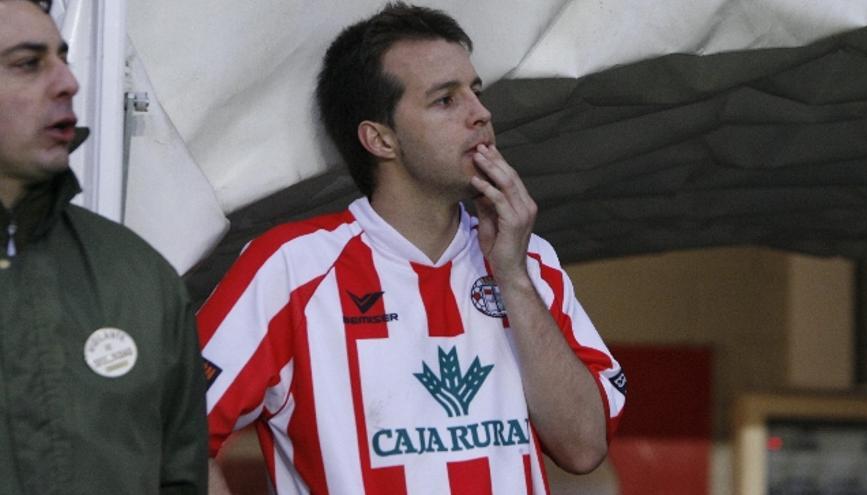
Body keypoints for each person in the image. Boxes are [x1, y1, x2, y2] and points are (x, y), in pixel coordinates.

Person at [198, 2, 626, 494]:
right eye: (446, 100)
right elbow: (172, 430)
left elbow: (584, 447)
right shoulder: (291, 269)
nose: (481, 113)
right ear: (380, 139)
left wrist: (511, 277)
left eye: (477, 92)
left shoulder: (529, 260)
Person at [0, 0, 208, 493]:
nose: (67, 82)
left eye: (62, 58)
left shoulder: (138, 277)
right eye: (29, 64)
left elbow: (180, 477)